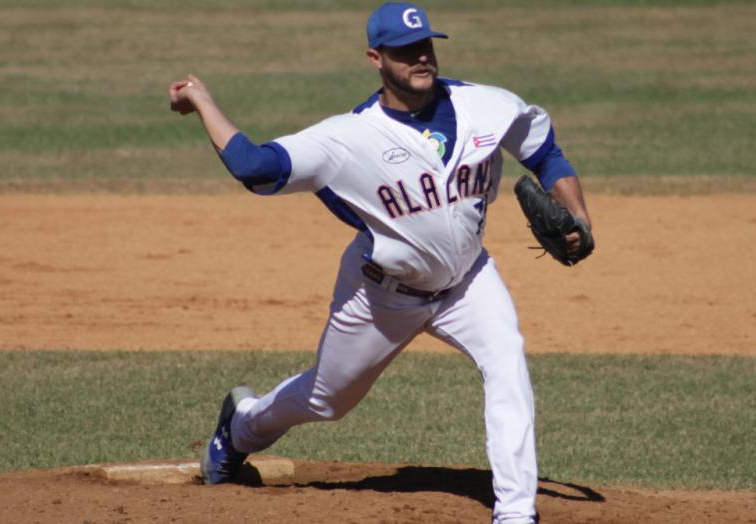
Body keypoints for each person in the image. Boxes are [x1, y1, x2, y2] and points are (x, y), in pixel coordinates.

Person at [169, 3, 592, 523]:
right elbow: (254, 168)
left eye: (426, 46)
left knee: (507, 361)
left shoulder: (486, 105)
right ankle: (242, 425)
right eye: (404, 50)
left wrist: (577, 215)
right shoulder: (348, 139)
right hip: (381, 294)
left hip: (468, 281)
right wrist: (202, 100)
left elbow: (546, 153)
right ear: (376, 58)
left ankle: (515, 514)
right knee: (327, 401)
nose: (420, 57)